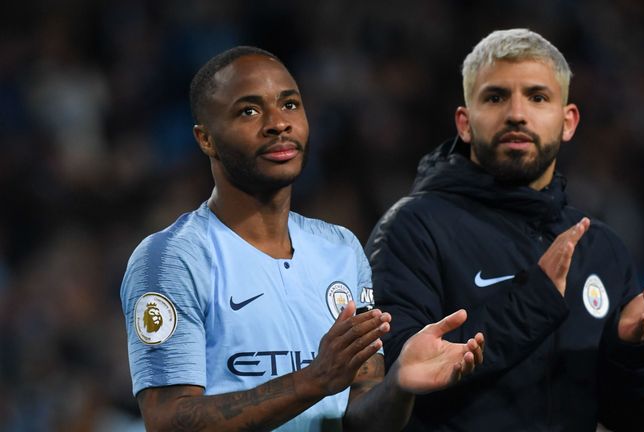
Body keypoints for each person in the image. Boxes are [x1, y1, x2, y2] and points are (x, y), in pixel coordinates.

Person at [120, 46, 484, 432]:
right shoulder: (172, 258)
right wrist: (314, 380)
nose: (278, 123)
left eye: (290, 105)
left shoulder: (341, 249)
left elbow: (360, 415)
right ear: (206, 139)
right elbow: (167, 420)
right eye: (249, 110)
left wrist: (400, 384)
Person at [365, 29, 644, 431]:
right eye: (496, 97)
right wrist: (534, 301)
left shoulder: (601, 248)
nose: (517, 113)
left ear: (568, 121)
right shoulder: (413, 228)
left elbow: (636, 419)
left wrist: (638, 351)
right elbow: (391, 385)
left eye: (537, 97)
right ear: (464, 123)